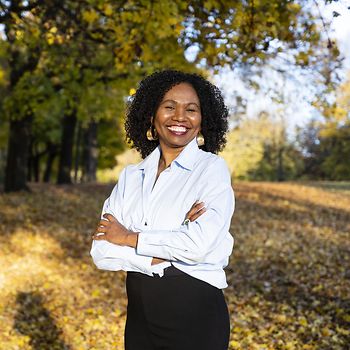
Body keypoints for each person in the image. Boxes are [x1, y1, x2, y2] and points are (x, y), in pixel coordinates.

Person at [90, 70, 235, 350]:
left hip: (194, 314)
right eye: (169, 107)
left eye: (191, 109)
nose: (180, 117)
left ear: (203, 120)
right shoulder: (131, 177)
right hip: (140, 317)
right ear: (151, 116)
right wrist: (161, 254)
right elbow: (101, 252)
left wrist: (129, 238)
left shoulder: (210, 170)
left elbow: (197, 247)